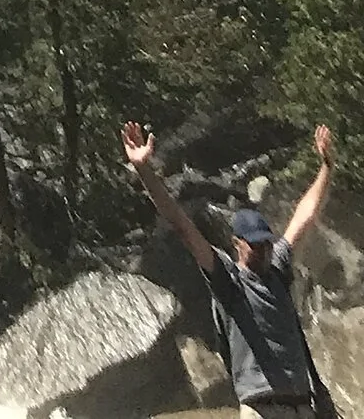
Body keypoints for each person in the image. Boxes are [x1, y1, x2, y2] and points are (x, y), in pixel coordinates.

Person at [122, 120, 338, 416]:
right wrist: (144, 170)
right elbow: (181, 224)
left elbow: (306, 215)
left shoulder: (278, 267)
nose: (262, 250)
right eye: (255, 245)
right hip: (261, 409)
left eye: (265, 244)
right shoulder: (228, 279)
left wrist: (326, 167)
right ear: (238, 243)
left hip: (302, 405)